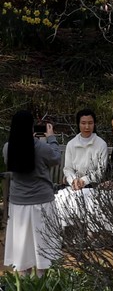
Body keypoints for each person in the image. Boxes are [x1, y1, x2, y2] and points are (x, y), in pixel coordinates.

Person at [4, 110, 62, 274]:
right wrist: (51, 138)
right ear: (32, 127)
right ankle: (43, 285)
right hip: (42, 202)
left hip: (18, 204)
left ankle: (23, 285)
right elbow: (56, 158)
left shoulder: (8, 147)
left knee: (22, 249)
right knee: (44, 248)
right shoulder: (41, 147)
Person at [54, 108, 110, 224]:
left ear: (94, 124)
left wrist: (84, 180)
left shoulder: (101, 144)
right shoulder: (71, 144)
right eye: (83, 123)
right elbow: (68, 168)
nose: (87, 127)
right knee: (62, 202)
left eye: (90, 123)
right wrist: (74, 180)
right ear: (78, 124)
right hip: (73, 187)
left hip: (94, 187)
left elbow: (100, 171)